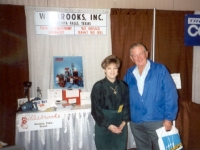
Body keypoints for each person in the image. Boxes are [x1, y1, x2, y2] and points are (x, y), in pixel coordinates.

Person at [124, 43, 178, 150]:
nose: (139, 58)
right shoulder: (129, 73)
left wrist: (169, 118)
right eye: (135, 55)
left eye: (141, 54)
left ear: (146, 54)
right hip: (136, 122)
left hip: (157, 120)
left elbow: (170, 94)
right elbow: (124, 97)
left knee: (164, 148)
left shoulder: (160, 69)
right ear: (131, 58)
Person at [91, 55, 130, 150]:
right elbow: (95, 110)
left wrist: (124, 122)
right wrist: (108, 125)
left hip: (120, 125)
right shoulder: (98, 86)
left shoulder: (123, 85)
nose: (112, 71)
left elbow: (127, 105)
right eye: (109, 68)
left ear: (118, 70)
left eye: (115, 68)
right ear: (104, 70)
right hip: (104, 125)